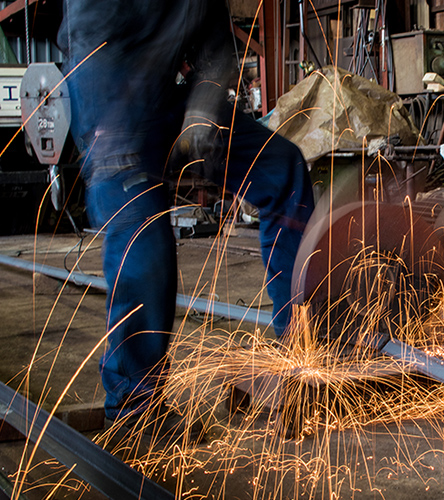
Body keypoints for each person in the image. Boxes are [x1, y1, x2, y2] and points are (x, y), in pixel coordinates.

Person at [57, 0, 314, 428]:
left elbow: (217, 46)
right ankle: (134, 411)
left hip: (168, 101)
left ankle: (301, 348)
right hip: (109, 102)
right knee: (144, 232)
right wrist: (115, 140)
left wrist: (202, 106)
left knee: (281, 169)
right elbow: (87, 39)